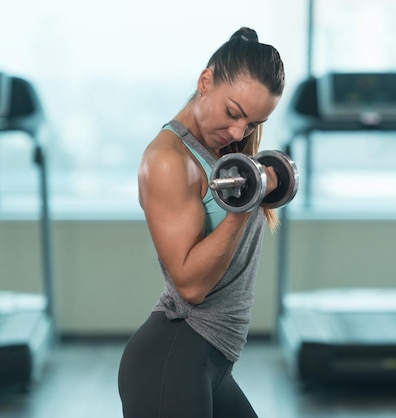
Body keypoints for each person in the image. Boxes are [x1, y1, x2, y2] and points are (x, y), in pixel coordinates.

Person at [117, 27, 286, 418]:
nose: (237, 133)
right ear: (205, 81)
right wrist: (245, 205)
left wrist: (257, 187)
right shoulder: (168, 160)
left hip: (209, 363)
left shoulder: (224, 159)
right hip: (172, 361)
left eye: (251, 123)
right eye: (233, 114)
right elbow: (190, 285)